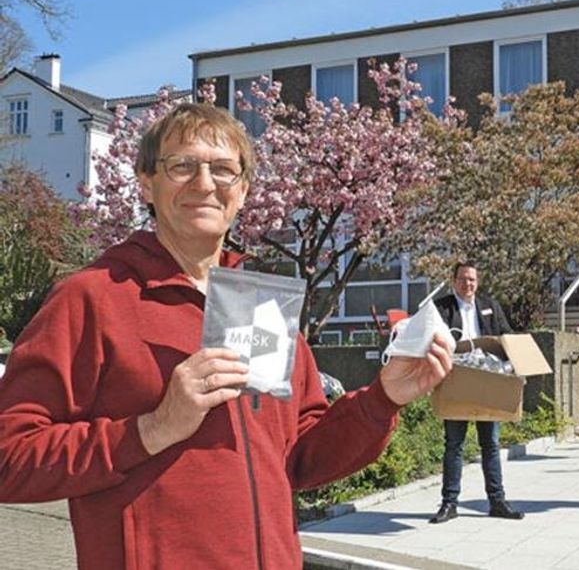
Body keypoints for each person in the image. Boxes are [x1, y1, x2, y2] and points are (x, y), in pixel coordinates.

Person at [0, 103, 453, 570]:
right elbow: (9, 459)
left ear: (243, 190)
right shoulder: (91, 299)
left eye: (222, 169)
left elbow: (300, 458)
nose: (203, 184)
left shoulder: (262, 305)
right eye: (181, 166)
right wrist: (152, 429)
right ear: (145, 183)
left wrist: (383, 399)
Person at [429, 261, 523, 523]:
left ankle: (497, 501)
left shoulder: (489, 304)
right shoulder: (442, 308)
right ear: (454, 280)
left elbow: (506, 336)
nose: (468, 284)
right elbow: (434, 339)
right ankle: (449, 504)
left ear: (477, 282)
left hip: (487, 380)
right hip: (457, 381)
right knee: (454, 445)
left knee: (490, 444)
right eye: (463, 279)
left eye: (472, 280)